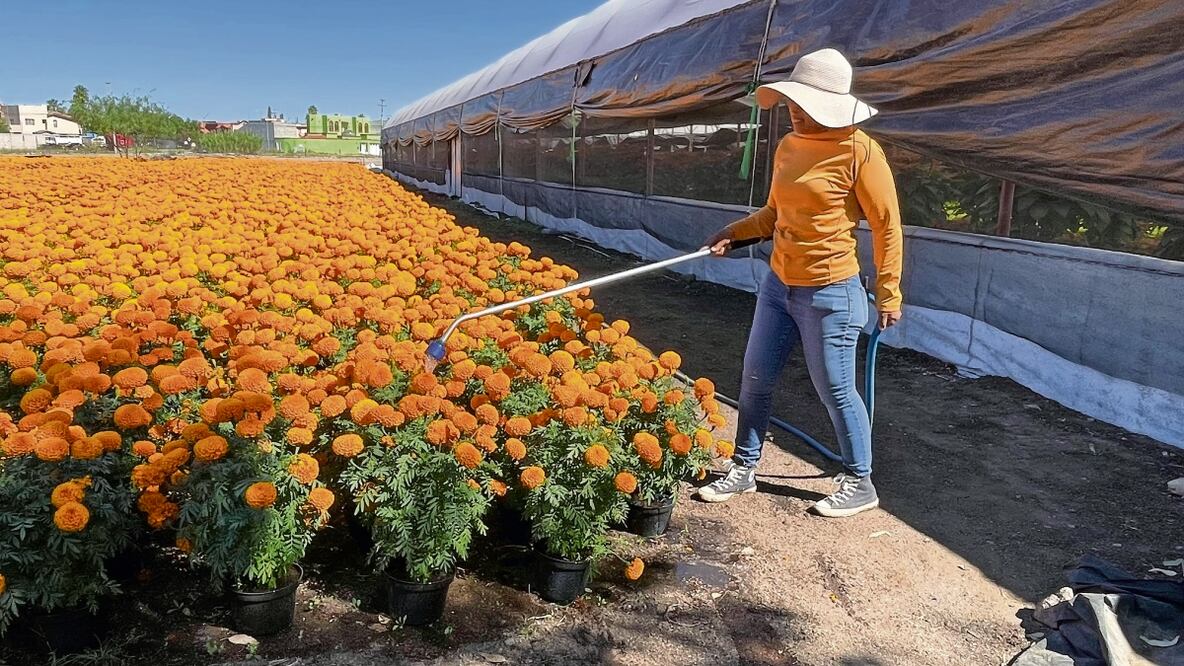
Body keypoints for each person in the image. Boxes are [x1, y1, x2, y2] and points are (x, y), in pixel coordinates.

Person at [697, 48, 903, 517]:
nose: (793, 111)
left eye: (804, 105)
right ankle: (744, 467)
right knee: (754, 378)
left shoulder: (861, 152)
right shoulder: (790, 146)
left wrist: (889, 292)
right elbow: (775, 213)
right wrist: (735, 232)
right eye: (792, 102)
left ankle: (859, 481)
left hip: (831, 292)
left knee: (834, 389)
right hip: (778, 286)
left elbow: (887, 225)